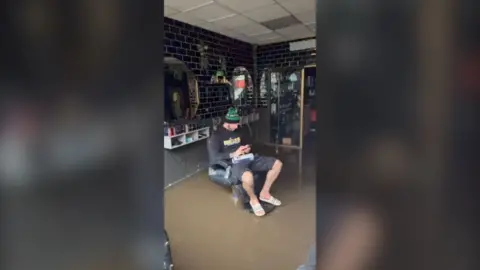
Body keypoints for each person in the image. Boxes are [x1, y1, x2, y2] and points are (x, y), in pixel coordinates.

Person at [208, 107, 283, 216]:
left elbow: (249, 143)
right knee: (248, 177)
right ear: (228, 123)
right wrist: (234, 154)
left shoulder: (240, 131)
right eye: (235, 124)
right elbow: (214, 157)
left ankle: (264, 193)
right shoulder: (216, 136)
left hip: (248, 157)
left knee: (277, 164)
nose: (238, 126)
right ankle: (253, 200)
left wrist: (247, 148)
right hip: (234, 162)